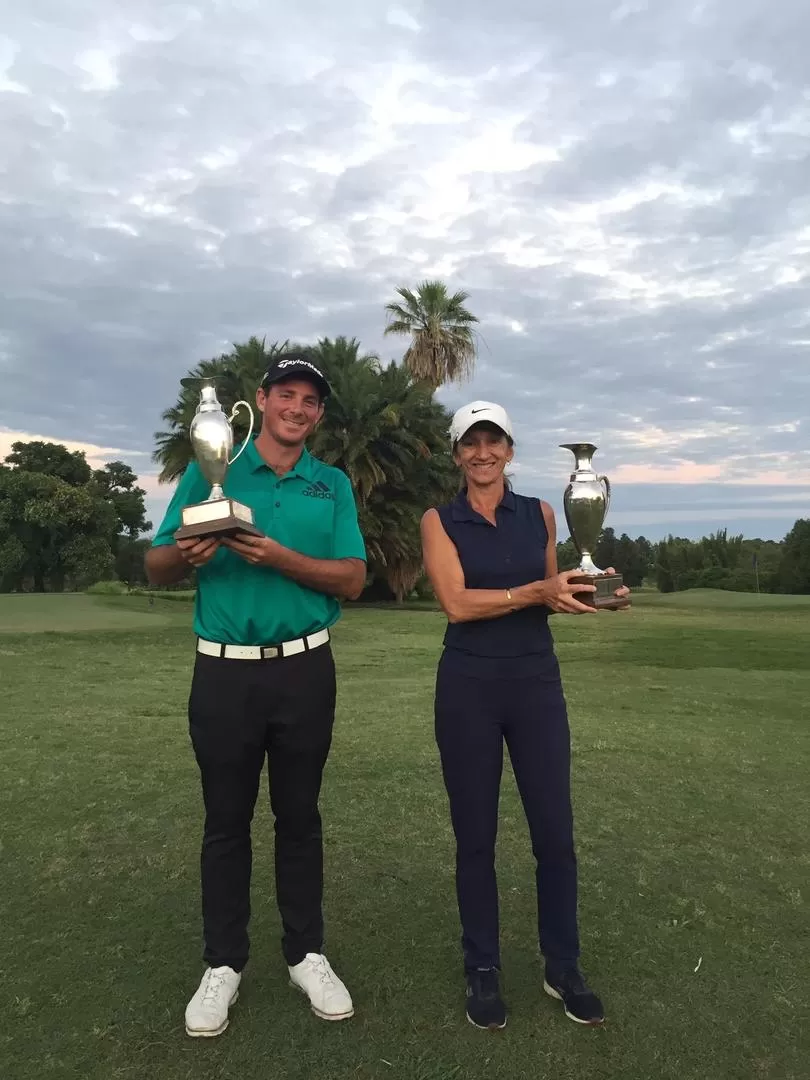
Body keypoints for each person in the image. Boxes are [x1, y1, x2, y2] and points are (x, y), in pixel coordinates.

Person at [145, 352, 367, 1038]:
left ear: (319, 414)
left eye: (310, 401)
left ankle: (306, 953)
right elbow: (155, 567)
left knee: (300, 819)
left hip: (305, 669)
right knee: (225, 823)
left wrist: (282, 559)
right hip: (224, 672)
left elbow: (353, 578)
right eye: (287, 395)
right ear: (262, 400)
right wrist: (187, 553)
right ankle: (224, 964)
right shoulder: (213, 470)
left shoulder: (330, 483)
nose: (297, 409)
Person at [420, 401, 629, 1031]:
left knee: (554, 834)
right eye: (470, 443)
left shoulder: (540, 512)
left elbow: (550, 593)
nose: (482, 453)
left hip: (535, 682)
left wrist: (588, 592)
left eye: (494, 441)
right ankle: (482, 966)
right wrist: (535, 593)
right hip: (468, 686)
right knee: (475, 837)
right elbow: (456, 603)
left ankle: (562, 963)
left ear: (510, 450)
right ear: (456, 454)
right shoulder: (439, 519)